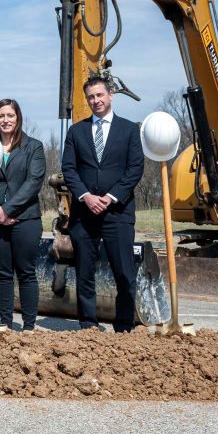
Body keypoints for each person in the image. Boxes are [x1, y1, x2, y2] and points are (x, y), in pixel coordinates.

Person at [61, 76, 144, 333]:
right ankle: (88, 325)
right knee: (85, 273)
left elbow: (135, 169)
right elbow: (69, 169)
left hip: (117, 212)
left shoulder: (129, 130)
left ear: (110, 95)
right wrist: (86, 196)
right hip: (84, 214)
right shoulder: (76, 131)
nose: (95, 101)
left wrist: (110, 197)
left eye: (99, 95)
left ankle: (124, 326)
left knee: (124, 273)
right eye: (91, 97)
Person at [0, 99, 46, 331]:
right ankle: (5, 323)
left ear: (18, 118)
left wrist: (9, 210)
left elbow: (34, 181)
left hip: (25, 218)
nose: (5, 120)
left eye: (10, 116)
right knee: (3, 273)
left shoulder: (33, 147)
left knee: (26, 272)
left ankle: (28, 326)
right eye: (1, 116)